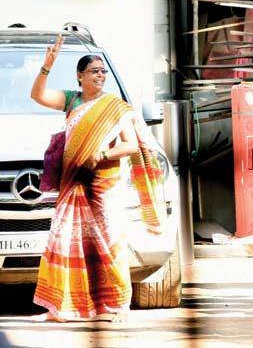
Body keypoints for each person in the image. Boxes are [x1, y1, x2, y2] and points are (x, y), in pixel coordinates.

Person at [29, 35, 166, 321]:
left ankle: (117, 306)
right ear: (80, 76)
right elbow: (38, 96)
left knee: (107, 243)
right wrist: (47, 66)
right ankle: (60, 308)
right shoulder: (71, 100)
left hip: (102, 187)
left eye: (103, 71)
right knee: (63, 242)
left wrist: (102, 153)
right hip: (72, 185)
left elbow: (130, 146)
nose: (101, 75)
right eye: (94, 70)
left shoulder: (114, 107)